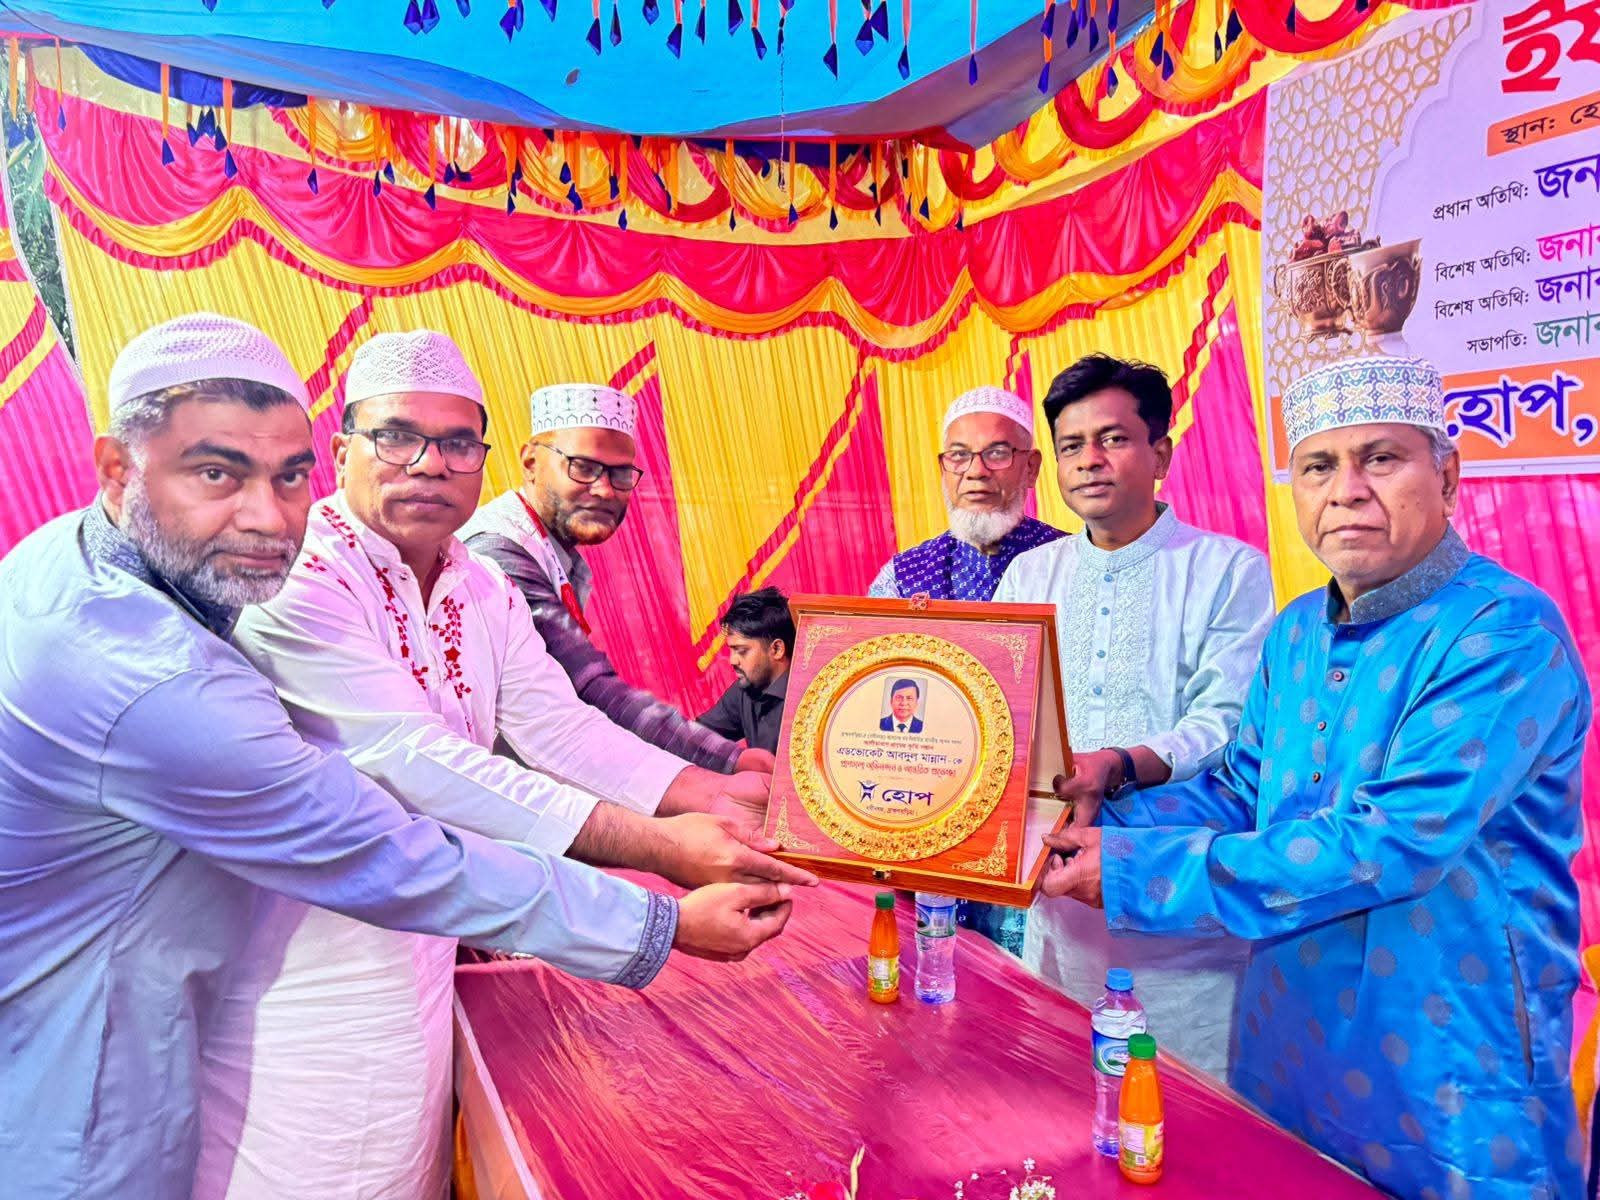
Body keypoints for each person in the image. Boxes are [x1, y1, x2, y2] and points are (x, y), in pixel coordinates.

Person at [0, 314, 794, 1200]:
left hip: (422, 941)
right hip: (297, 977)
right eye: (397, 437)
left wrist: (704, 797)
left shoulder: (477, 581)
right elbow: (404, 780)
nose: (429, 465)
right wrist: (662, 889)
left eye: (456, 444)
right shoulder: (284, 581)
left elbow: (560, 723)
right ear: (346, 451)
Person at [1041, 355, 1590, 1200]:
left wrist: (1126, 869)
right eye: (1318, 467)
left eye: (1381, 459)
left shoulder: (1504, 634)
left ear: (1447, 477)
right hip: (1286, 1039)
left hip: (1450, 1058)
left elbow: (1387, 844)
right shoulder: (1298, 631)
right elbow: (1240, 793)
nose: (1346, 492)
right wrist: (1085, 820)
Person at [993, 354, 1273, 1079]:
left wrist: (1118, 765)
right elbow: (1004, 710)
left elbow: (1228, 720)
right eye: (1070, 446)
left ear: (1161, 455)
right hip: (1055, 887)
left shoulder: (1228, 570)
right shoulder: (1030, 574)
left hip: (1177, 900)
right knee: (1061, 1088)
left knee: (1183, 1103)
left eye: (1113, 439)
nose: (1089, 460)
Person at [463, 383, 764, 773]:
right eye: (583, 467)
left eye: (620, 473)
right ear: (531, 462)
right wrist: (730, 760)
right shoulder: (498, 551)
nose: (605, 490)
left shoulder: (551, 549)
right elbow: (588, 688)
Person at [868, 385, 1063, 601]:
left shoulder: (1073, 562)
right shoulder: (902, 579)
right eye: (959, 454)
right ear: (943, 470)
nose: (976, 471)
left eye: (997, 453)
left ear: (1030, 468)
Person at [696, 587, 795, 755]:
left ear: (777, 649)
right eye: (731, 650)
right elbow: (697, 738)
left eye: (741, 651)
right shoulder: (745, 690)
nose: (732, 660)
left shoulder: (811, 697)